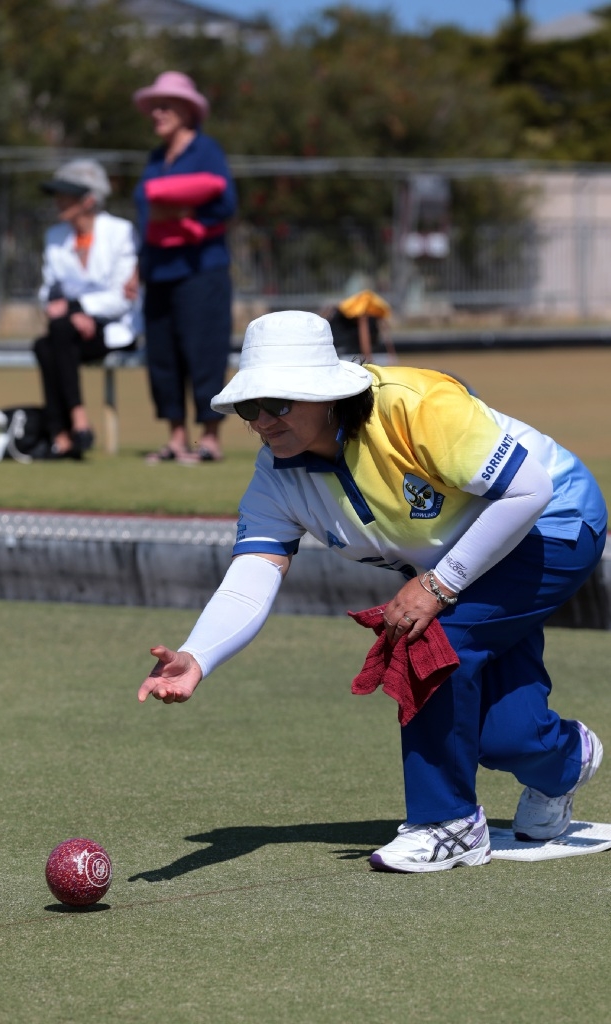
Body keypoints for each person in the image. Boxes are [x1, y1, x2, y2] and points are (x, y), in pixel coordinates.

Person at [137, 310, 607, 874]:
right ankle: (565, 761)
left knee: (429, 640)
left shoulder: (416, 405)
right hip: (465, 555)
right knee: (507, 735)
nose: (261, 422)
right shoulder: (276, 476)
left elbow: (528, 491)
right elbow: (252, 575)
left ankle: (449, 824)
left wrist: (438, 584)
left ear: (325, 395)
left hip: (553, 523)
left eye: (277, 404)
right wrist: (197, 656)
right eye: (248, 408)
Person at [132, 71, 237, 465]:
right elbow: (146, 217)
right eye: (154, 107)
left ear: (188, 111)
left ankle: (208, 439)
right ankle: (176, 438)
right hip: (158, 271)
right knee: (162, 356)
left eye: (166, 106)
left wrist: (185, 215)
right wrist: (138, 266)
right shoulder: (155, 158)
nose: (157, 113)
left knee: (204, 351)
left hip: (201, 270)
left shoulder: (207, 151)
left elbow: (226, 205)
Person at [35, 159, 141, 459]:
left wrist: (78, 307)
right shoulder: (55, 237)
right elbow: (48, 290)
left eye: (66, 195)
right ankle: (68, 431)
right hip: (69, 331)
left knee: (52, 338)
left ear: (89, 200)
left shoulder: (120, 231)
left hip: (114, 328)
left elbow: (123, 297)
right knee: (46, 344)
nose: (58, 201)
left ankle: (69, 428)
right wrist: (69, 311)